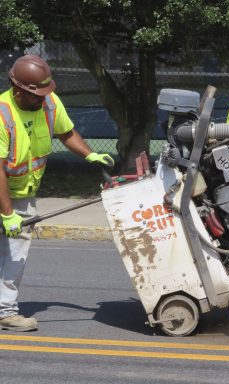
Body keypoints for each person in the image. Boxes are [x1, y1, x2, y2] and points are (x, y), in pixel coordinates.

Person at [0, 55, 114, 331]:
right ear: (19, 90)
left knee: (15, 253)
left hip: (22, 192)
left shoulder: (49, 102)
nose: (43, 98)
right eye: (36, 94)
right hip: (4, 192)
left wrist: (90, 155)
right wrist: (7, 214)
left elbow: (66, 133)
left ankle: (5, 311)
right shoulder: (2, 114)